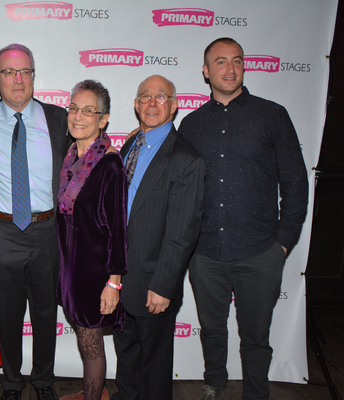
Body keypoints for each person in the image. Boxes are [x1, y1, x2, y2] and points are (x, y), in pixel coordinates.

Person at [178, 37, 309, 400]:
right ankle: (214, 382)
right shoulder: (191, 124)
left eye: (236, 60)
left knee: (255, 336)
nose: (230, 68)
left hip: (260, 251)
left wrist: (282, 242)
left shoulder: (272, 115)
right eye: (220, 62)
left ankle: (256, 392)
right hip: (204, 252)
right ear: (206, 71)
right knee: (212, 329)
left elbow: (296, 181)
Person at [0, 43, 71, 400]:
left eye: (25, 71)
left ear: (34, 76)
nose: (18, 79)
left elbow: (88, 154)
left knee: (45, 314)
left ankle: (43, 382)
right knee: (7, 316)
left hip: (46, 231)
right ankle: (11, 382)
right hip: (0, 230)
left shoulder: (59, 119)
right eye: (9, 72)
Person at [112, 75, 205, 400]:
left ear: (175, 105)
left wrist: (163, 285)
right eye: (145, 97)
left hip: (154, 283)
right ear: (136, 105)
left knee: (154, 365)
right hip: (120, 279)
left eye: (161, 97)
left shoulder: (185, 159)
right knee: (127, 358)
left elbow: (183, 232)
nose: (152, 103)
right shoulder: (129, 146)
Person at [56, 80, 127, 400]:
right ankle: (91, 393)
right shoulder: (70, 156)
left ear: (103, 119)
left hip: (94, 273)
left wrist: (113, 283)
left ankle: (94, 396)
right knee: (87, 341)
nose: (78, 116)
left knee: (91, 343)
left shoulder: (109, 163)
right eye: (73, 109)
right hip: (70, 267)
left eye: (88, 111)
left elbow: (118, 229)